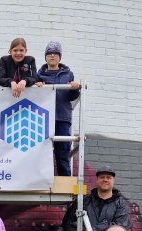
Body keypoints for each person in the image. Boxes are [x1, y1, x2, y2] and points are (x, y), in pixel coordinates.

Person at [62, 166, 132, 231]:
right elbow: (66, 222)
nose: (105, 180)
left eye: (108, 177)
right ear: (97, 180)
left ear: (113, 181)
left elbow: (120, 227)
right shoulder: (84, 201)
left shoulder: (121, 204)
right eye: (102, 177)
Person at [35, 41, 81, 177]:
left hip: (62, 118)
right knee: (42, 152)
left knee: (62, 153)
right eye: (49, 53)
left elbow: (72, 97)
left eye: (55, 53)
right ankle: (41, 181)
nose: (52, 56)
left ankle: (65, 181)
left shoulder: (68, 74)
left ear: (60, 57)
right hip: (43, 118)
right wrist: (36, 86)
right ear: (45, 57)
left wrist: (75, 89)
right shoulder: (39, 75)